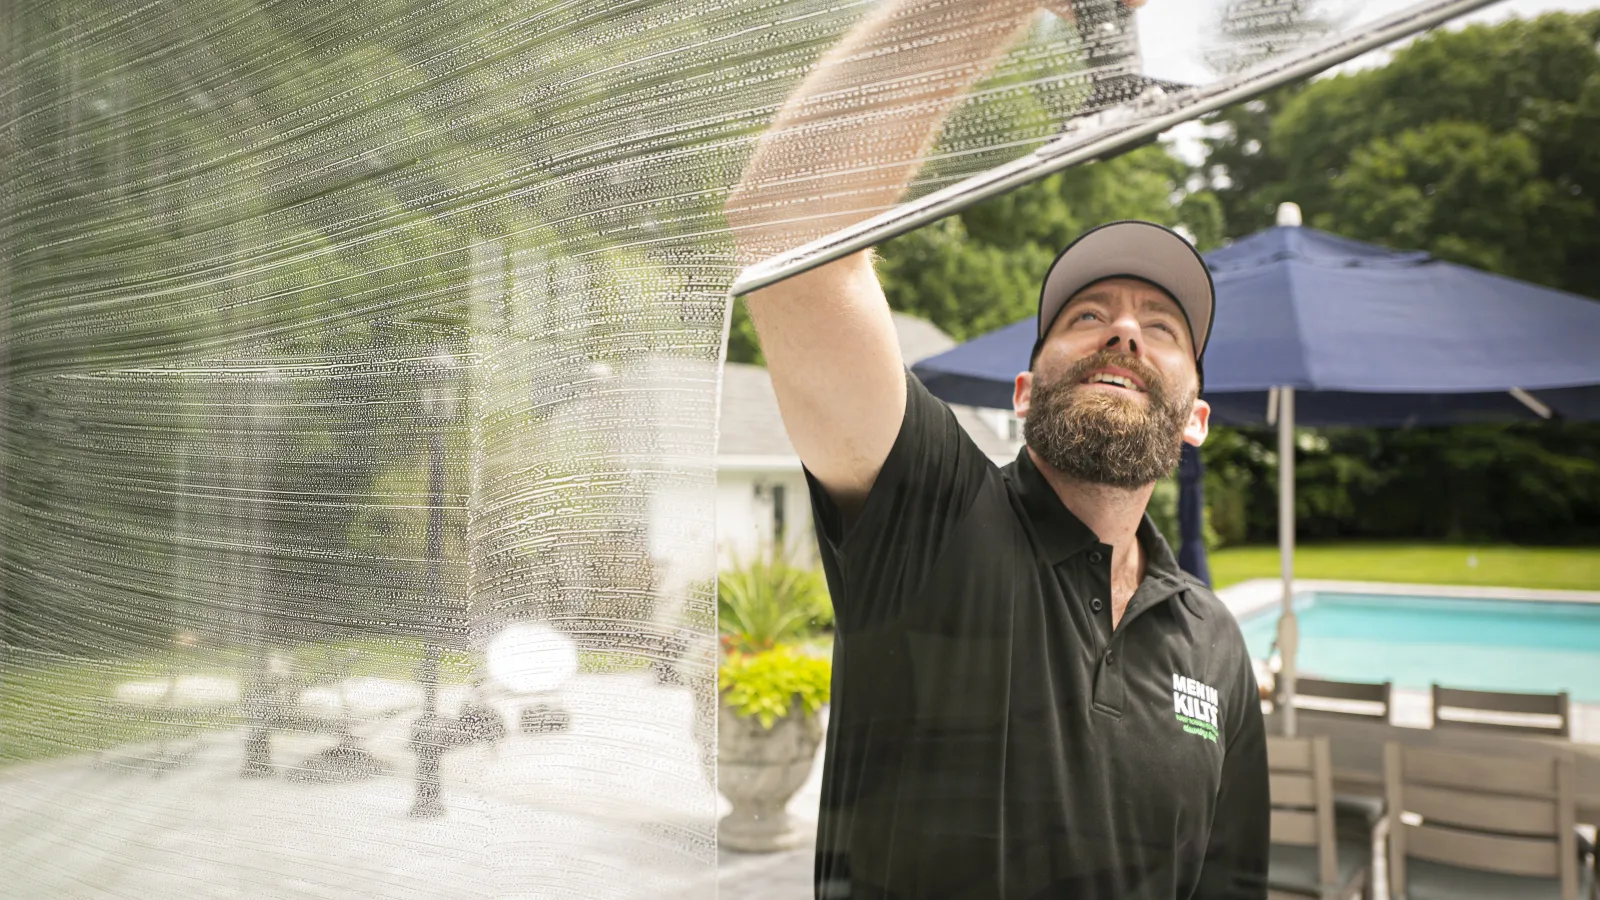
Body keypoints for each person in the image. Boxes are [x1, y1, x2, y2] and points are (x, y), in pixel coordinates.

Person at [725, 1, 1269, 898]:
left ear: (1195, 419)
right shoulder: (935, 511)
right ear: (1024, 395)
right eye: (1086, 317)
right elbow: (787, 229)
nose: (1123, 333)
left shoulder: (1213, 642)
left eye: (1161, 326)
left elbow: (1231, 883)